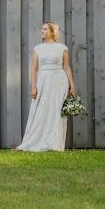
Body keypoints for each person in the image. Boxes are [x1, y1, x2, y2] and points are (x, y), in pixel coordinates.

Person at [15, 21, 77, 152]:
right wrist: (33, 86)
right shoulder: (38, 48)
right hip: (43, 81)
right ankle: (31, 142)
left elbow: (66, 66)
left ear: (52, 32)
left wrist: (72, 86)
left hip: (59, 81)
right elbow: (34, 69)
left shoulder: (62, 48)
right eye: (42, 29)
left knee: (56, 111)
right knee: (40, 110)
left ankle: (54, 143)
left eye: (44, 29)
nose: (42, 31)